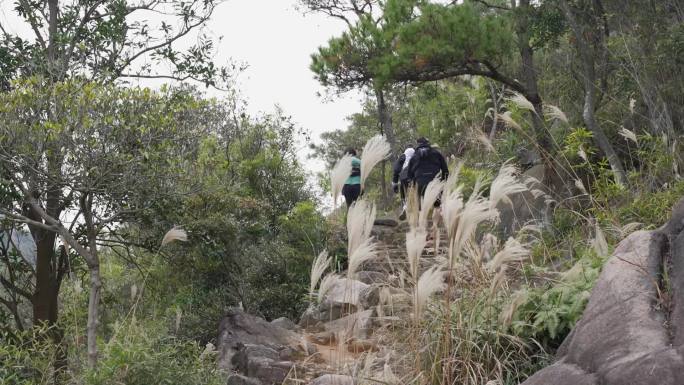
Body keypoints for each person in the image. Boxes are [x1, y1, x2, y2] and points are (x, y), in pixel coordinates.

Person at [407, 137, 449, 206]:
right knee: (438, 205)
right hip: (435, 182)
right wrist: (443, 182)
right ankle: (438, 208)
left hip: (420, 184)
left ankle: (421, 212)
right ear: (428, 143)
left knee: (421, 206)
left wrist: (414, 184)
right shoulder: (437, 153)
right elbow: (445, 170)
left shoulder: (414, 157)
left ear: (418, 144)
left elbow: (409, 176)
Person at [392, 146, 415, 220]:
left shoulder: (402, 156)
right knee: (414, 194)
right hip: (414, 176)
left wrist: (395, 184)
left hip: (403, 176)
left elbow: (396, 170)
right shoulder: (416, 154)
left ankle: (405, 207)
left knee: (404, 194)